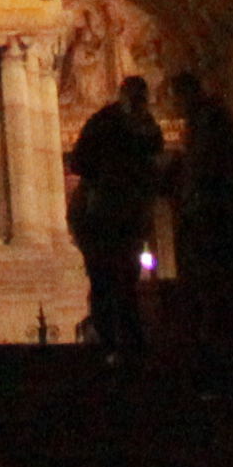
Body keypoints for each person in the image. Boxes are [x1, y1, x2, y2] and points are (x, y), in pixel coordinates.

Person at [67, 72, 165, 352]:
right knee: (105, 277)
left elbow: (155, 159)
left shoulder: (146, 126)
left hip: (129, 215)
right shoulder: (103, 123)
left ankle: (126, 342)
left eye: (142, 100)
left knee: (126, 278)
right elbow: (79, 161)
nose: (138, 105)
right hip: (101, 215)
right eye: (134, 98)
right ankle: (109, 341)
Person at [165, 70, 233, 348]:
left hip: (219, 214)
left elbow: (207, 167)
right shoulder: (213, 120)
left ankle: (225, 340)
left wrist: (189, 188)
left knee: (220, 282)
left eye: (177, 99)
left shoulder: (211, 122)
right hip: (222, 213)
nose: (177, 107)